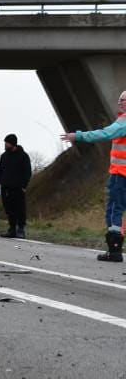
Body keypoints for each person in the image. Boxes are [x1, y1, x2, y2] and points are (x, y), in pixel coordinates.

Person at [61, 90, 126, 262]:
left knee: (114, 211)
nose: (119, 103)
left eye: (123, 100)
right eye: (119, 99)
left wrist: (79, 136)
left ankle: (115, 250)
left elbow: (105, 134)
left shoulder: (124, 122)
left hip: (121, 174)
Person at [0, 133, 31, 239]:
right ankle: (12, 229)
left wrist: (24, 186)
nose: (5, 145)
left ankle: (21, 230)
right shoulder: (4, 156)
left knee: (19, 209)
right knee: (9, 209)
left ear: (13, 143)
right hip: (5, 187)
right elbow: (0, 170)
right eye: (5, 143)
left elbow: (27, 172)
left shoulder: (23, 156)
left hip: (18, 188)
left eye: (7, 143)